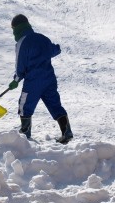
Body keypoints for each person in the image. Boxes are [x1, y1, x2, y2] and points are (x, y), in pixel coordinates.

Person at [8, 14, 73, 144]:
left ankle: (25, 137)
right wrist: (57, 48)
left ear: (16, 28)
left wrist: (16, 80)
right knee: (55, 104)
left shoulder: (21, 43)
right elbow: (53, 50)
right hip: (49, 79)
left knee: (25, 105)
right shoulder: (42, 38)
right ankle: (67, 132)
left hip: (33, 81)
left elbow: (20, 66)